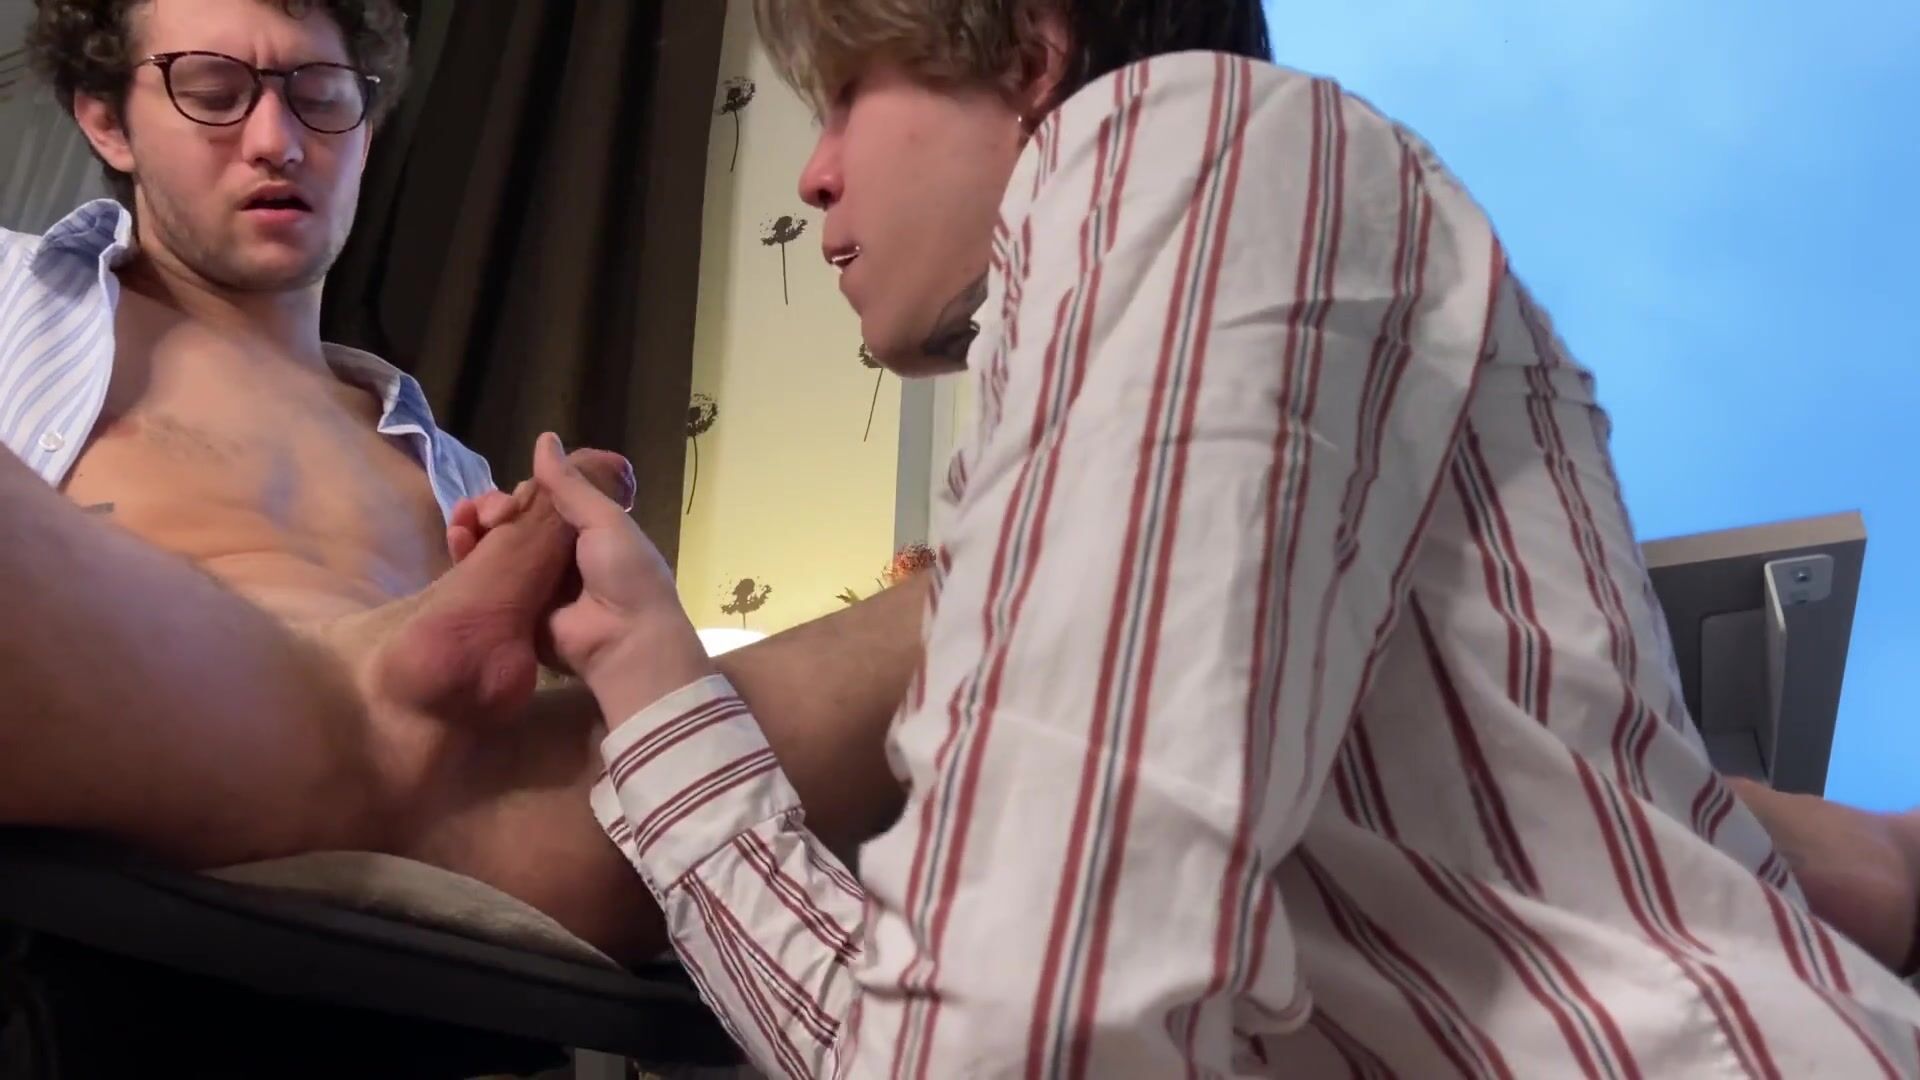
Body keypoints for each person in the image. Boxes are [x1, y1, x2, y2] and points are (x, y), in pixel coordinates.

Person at [503, 0, 1920, 1074]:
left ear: (1029, 51)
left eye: (848, 94)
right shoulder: (1128, 431)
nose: (812, 175)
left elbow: (1002, 1032)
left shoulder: (1192, 140)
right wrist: (654, 687)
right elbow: (958, 1018)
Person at [0, 0, 921, 962]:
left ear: (367, 130)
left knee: (967, 605)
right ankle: (378, 717)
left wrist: (608, 646)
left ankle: (406, 734)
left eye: (322, 98)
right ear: (107, 120)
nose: (276, 141)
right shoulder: (17, 298)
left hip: (486, 808)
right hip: (141, 740)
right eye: (213, 92)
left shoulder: (445, 469)